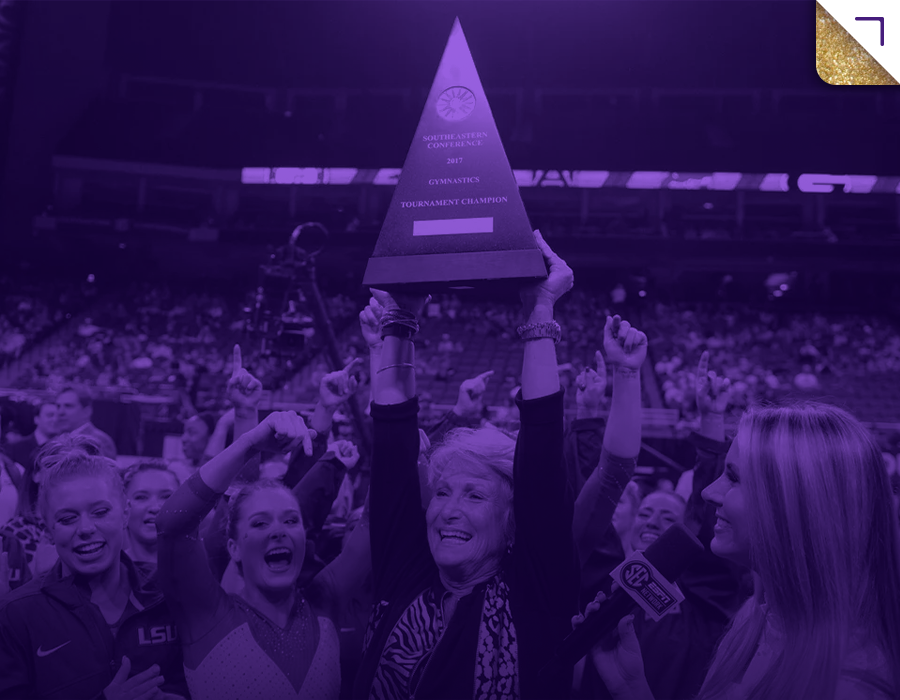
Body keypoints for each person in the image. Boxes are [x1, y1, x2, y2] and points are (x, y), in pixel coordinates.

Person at [353, 230, 585, 700]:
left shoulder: (536, 593)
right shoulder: (405, 573)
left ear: (512, 522)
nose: (449, 510)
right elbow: (395, 441)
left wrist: (539, 310)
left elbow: (540, 450)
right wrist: (399, 319)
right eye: (442, 491)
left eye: (475, 494)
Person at [584, 401, 900, 700]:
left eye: (733, 477)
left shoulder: (853, 686)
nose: (709, 492)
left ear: (794, 507)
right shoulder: (756, 616)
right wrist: (632, 688)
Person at [156, 393, 370, 699]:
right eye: (259, 523)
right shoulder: (207, 613)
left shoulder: (325, 603)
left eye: (290, 521)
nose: (278, 532)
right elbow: (172, 526)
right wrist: (247, 444)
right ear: (233, 548)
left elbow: (376, 522)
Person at [0, 449, 188, 699]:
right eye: (68, 518)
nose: (86, 528)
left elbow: (197, 681)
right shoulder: (17, 614)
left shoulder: (170, 589)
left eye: (100, 512)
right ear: (48, 529)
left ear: (125, 513)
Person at [123, 462, 181, 566]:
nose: (155, 508)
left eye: (166, 497)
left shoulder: (202, 569)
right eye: (141, 497)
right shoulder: (105, 573)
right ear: (124, 508)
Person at [55, 386, 117, 459]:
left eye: (68, 406)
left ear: (87, 411)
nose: (60, 412)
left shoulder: (99, 441)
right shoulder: (57, 438)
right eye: (58, 406)